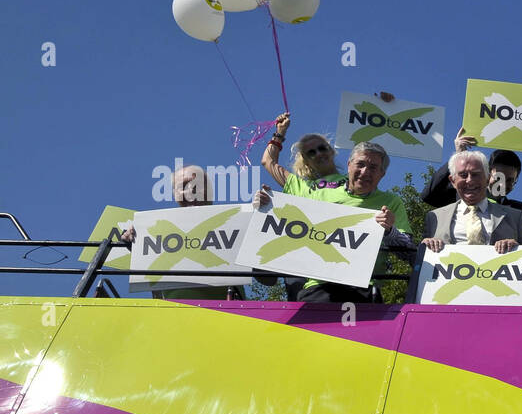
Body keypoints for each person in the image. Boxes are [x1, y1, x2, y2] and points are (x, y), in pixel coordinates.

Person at [255, 141, 413, 303]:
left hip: (364, 290)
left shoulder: (391, 203)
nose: (365, 172)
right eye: (360, 164)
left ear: (382, 174)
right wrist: (266, 204)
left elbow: (409, 253)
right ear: (349, 165)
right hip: (317, 289)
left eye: (373, 168)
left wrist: (389, 231)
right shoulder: (318, 191)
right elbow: (268, 162)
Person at [124, 164, 252, 300]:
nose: (191, 190)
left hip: (232, 315)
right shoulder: (155, 232)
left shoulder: (236, 225)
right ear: (175, 194)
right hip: (172, 316)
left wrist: (261, 218)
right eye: (183, 186)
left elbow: (268, 280)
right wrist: (133, 243)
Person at [421, 128, 522, 236]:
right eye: (498, 177)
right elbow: (429, 196)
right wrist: (458, 158)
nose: (502, 184)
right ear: (487, 175)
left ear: (516, 181)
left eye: (510, 180)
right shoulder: (462, 196)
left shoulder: (518, 210)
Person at [422, 150, 522, 252]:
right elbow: (421, 262)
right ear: (452, 181)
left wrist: (518, 248)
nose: (470, 180)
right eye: (463, 175)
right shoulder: (434, 217)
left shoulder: (516, 217)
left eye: (475, 174)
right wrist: (425, 247)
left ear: (487, 179)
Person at [262, 112, 346, 191]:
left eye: (322, 148)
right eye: (311, 153)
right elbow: (268, 161)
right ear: (306, 162)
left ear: (331, 150)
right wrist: (280, 132)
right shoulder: (302, 188)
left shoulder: (355, 179)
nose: (319, 154)